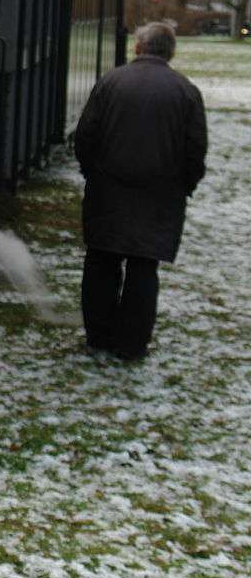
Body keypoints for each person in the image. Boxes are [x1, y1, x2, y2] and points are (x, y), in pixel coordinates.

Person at [73, 22, 207, 361]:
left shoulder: (110, 83)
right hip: (160, 193)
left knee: (101, 260)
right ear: (171, 52)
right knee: (144, 267)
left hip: (108, 187)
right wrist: (183, 186)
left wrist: (94, 174)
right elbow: (195, 150)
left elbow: (85, 136)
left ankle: (99, 337)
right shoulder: (185, 91)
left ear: (137, 47)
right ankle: (132, 344)